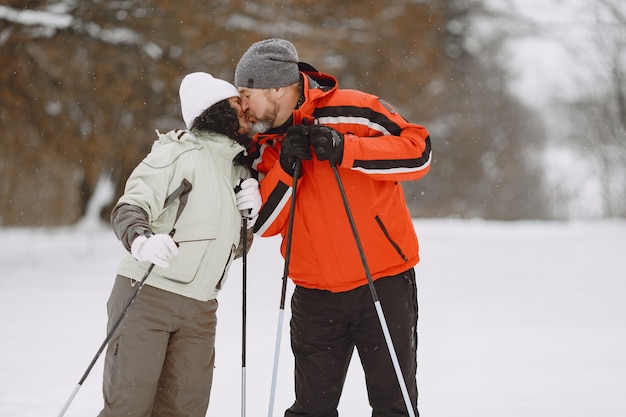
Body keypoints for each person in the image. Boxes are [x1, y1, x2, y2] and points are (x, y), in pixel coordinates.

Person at [234, 38, 432, 417]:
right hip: (314, 296)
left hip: (383, 281)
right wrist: (286, 168)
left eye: (246, 93)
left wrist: (346, 149)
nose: (242, 105)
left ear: (276, 87)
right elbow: (263, 224)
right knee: (311, 409)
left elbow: (418, 153)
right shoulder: (262, 145)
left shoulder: (355, 109)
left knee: (394, 405)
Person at [97, 72, 261, 417]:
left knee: (185, 409)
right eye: (236, 103)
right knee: (129, 406)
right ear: (215, 110)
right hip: (147, 296)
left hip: (201, 309)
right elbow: (130, 206)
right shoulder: (178, 152)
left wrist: (250, 221)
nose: (246, 110)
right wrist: (141, 240)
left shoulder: (240, 170)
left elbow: (232, 249)